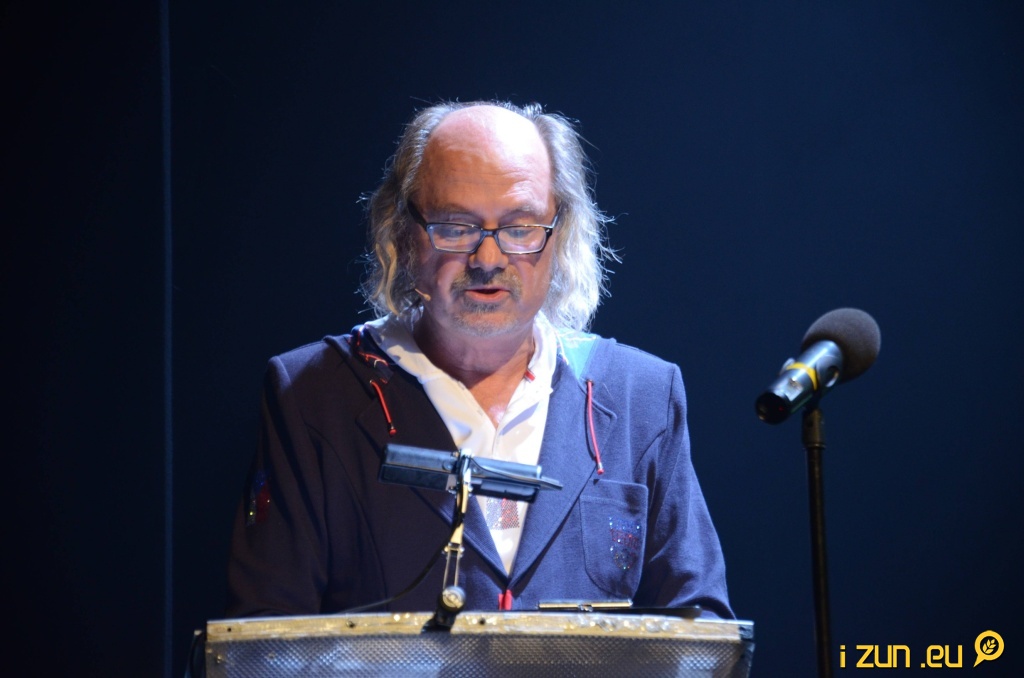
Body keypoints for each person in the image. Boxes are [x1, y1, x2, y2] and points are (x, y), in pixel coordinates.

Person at [225, 101, 733, 620]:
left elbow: (701, 629)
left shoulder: (640, 395)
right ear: (401, 231)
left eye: (520, 228)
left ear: (560, 233)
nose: (488, 259)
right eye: (456, 226)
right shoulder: (315, 394)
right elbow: (266, 635)